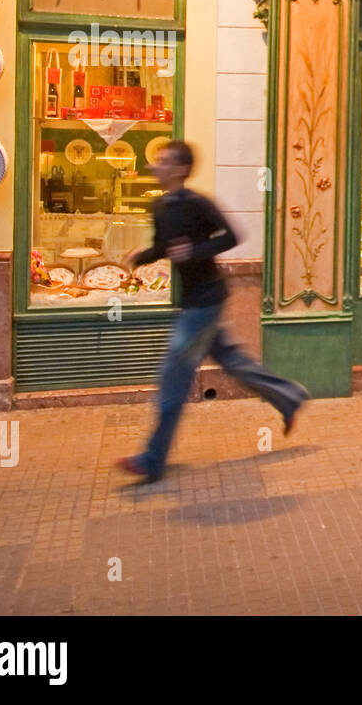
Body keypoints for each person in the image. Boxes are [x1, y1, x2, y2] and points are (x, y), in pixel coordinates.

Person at [115, 141, 309, 483]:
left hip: (206, 300)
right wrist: (141, 257)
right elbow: (164, 247)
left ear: (179, 170)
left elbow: (232, 236)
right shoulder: (159, 205)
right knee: (233, 361)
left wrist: (196, 250)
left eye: (162, 162)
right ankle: (290, 397)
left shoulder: (198, 204)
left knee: (173, 375)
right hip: (191, 300)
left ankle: (152, 459)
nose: (155, 167)